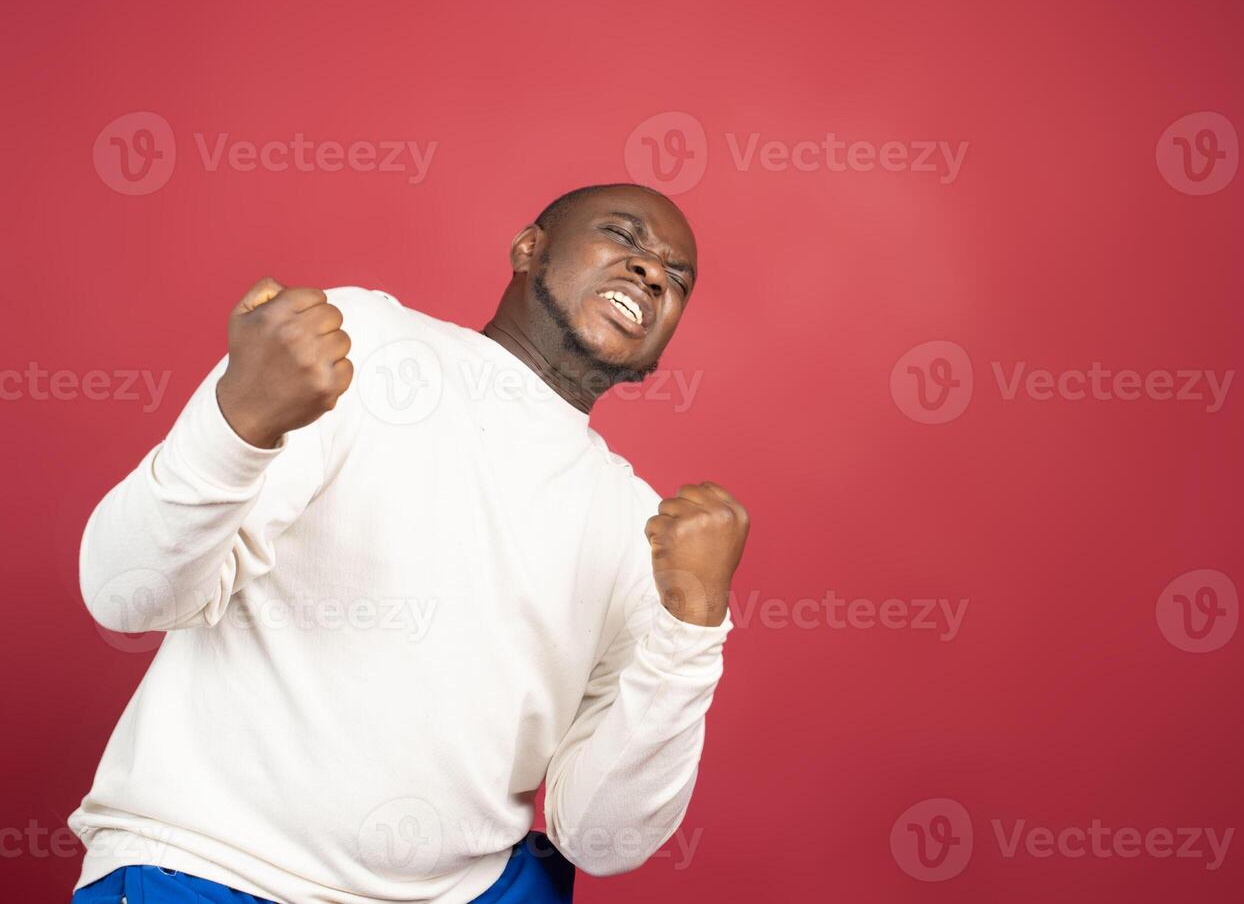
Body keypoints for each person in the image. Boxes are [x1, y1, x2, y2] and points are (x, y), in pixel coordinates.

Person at [68, 183, 749, 903]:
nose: (651, 274)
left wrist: (694, 630)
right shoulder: (362, 344)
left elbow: (599, 838)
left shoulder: (641, 529)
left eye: (676, 279)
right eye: (625, 237)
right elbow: (125, 593)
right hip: (215, 869)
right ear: (529, 248)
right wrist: (236, 423)